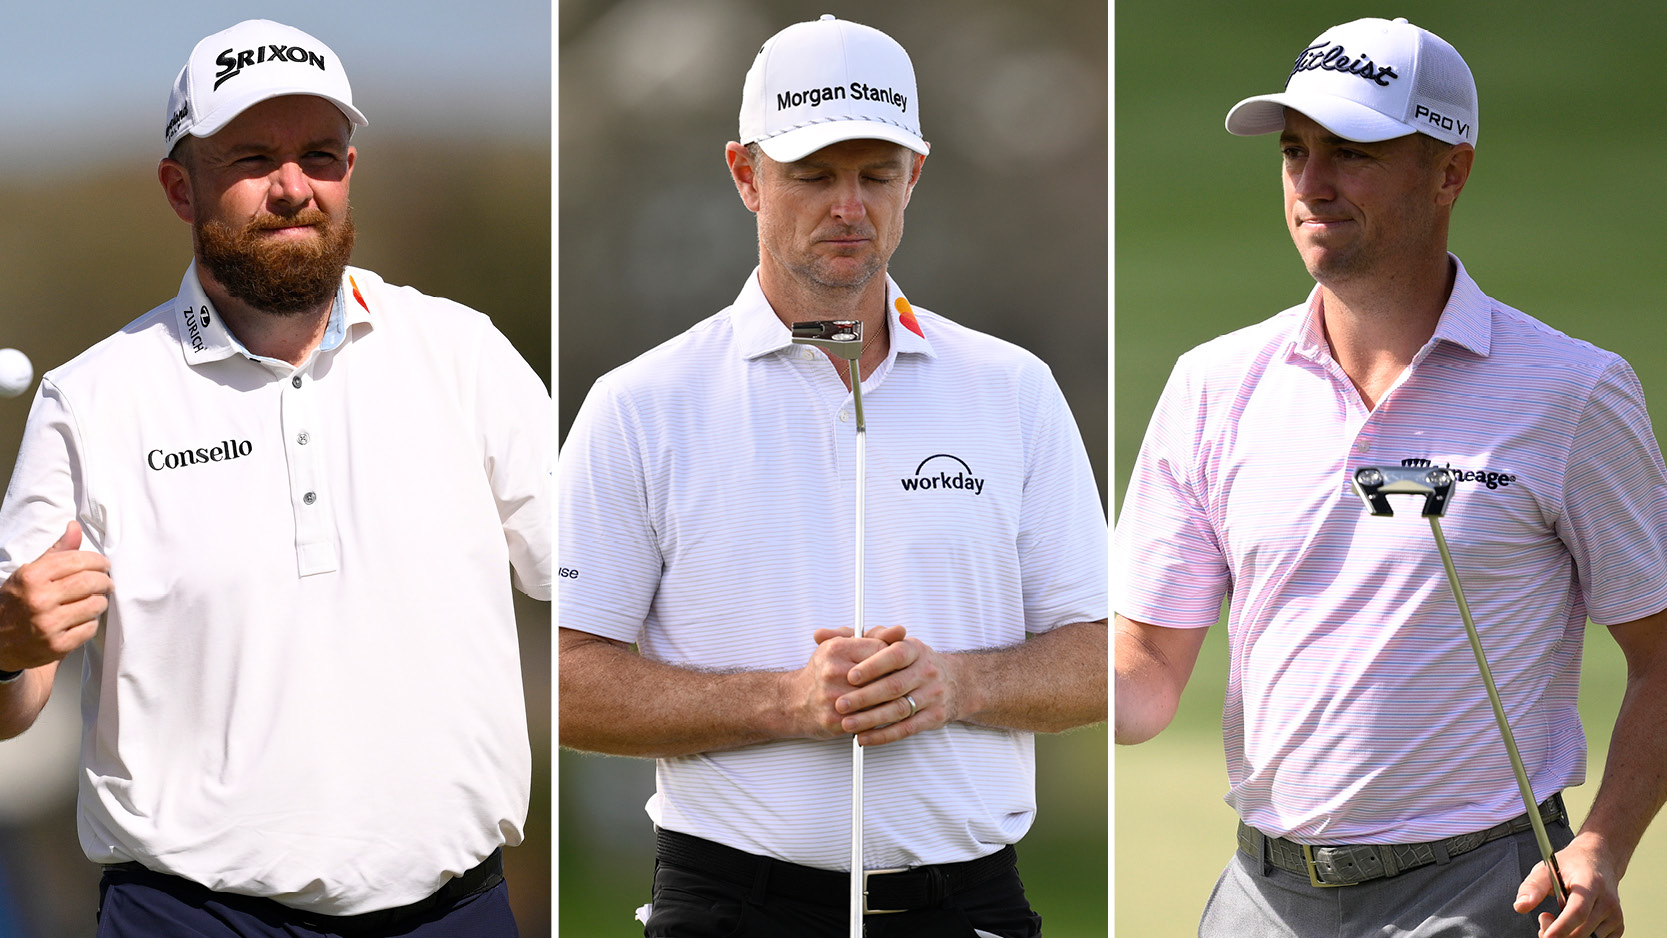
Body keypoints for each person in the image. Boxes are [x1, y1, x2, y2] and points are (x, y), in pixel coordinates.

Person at [1114, 15, 1667, 938]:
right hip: (1262, 896)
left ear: (1450, 170)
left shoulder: (1571, 392)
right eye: (1294, 152)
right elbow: (1144, 675)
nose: (1311, 184)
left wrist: (1604, 845)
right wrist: (1019, 666)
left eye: (1352, 152)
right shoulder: (1210, 384)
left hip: (1483, 892)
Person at [557, 14, 1107, 938]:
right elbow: (568, 683)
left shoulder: (1012, 389)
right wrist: (786, 702)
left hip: (964, 904)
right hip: (731, 904)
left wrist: (955, 686)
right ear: (746, 175)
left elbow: (1097, 660)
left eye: (874, 174)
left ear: (913, 178)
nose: (846, 205)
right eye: (812, 175)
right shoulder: (640, 403)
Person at [0, 19, 550, 937]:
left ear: (349, 168)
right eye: (254, 157)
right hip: (189, 918)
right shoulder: (91, 398)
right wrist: (7, 643)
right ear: (181, 187)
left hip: (455, 912)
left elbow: (592, 592)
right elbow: (15, 709)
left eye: (320, 155)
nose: (294, 188)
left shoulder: (464, 353)